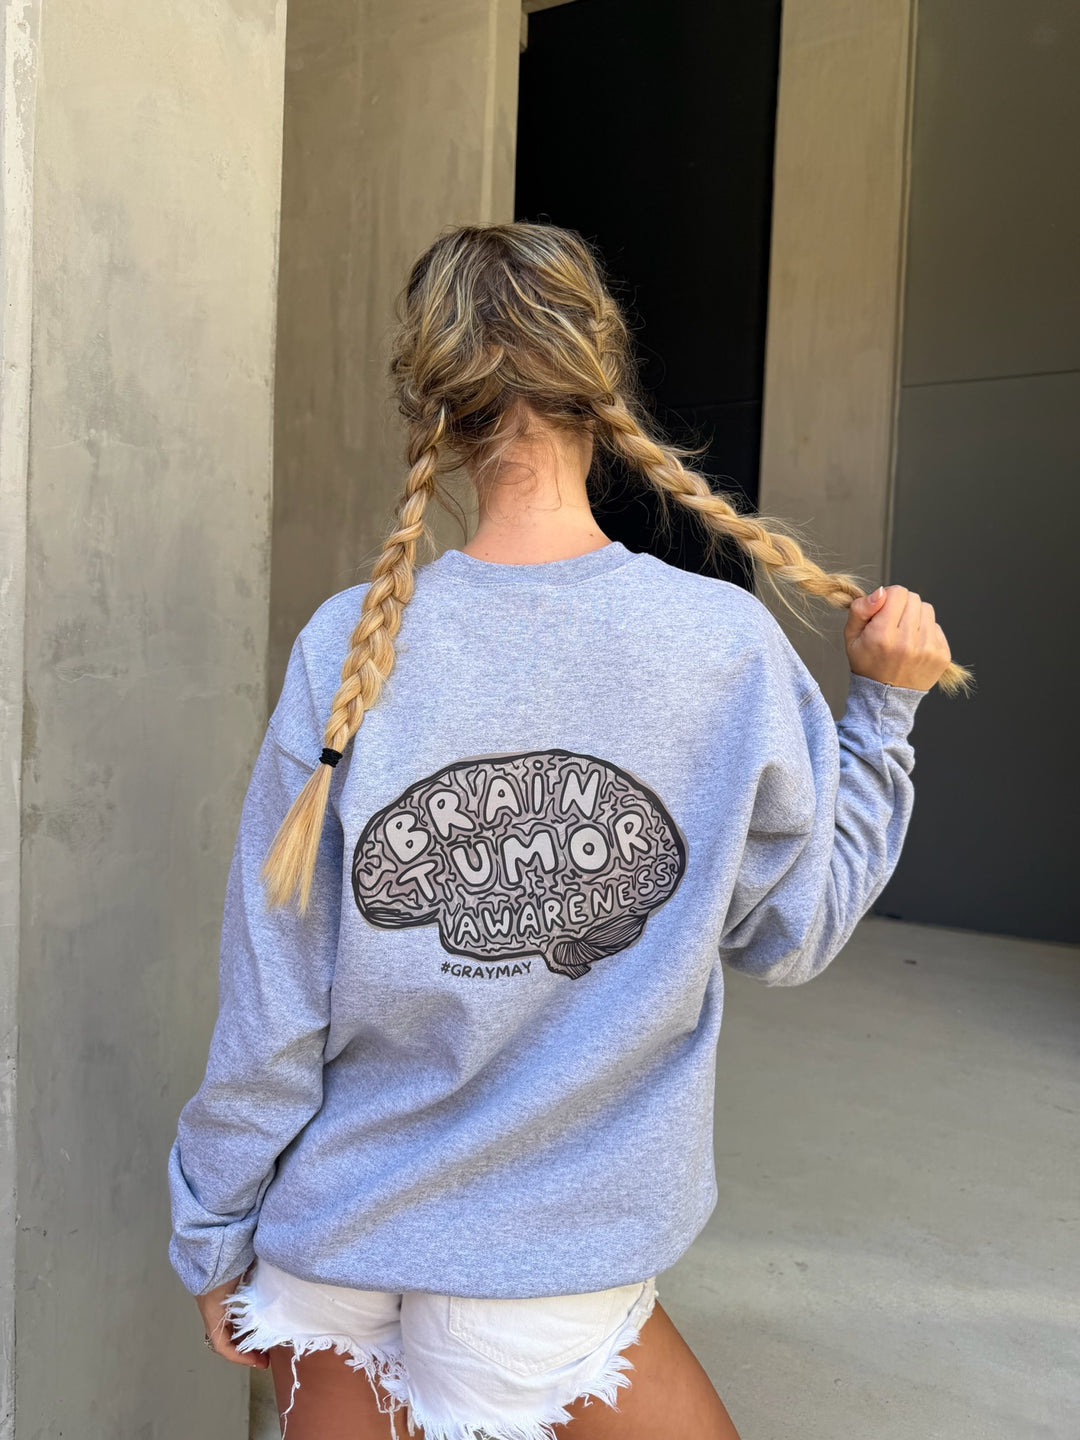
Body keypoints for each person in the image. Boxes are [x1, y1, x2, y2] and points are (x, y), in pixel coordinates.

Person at [167, 221, 968, 1440]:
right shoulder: (721, 646)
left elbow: (274, 1000)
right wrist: (885, 719)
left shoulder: (346, 645)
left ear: (429, 402)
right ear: (605, 380)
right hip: (549, 1270)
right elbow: (792, 935)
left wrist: (213, 1231)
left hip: (327, 1256)